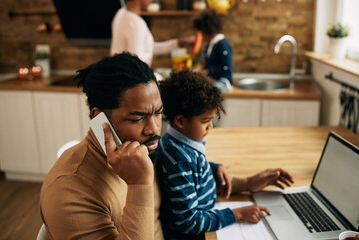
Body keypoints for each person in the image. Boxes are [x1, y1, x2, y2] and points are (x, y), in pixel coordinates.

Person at [157, 69, 294, 240]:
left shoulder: (178, 143)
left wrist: (214, 168)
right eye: (205, 121)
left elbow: (194, 172)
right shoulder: (179, 161)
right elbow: (188, 222)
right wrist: (236, 214)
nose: (211, 127)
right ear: (180, 121)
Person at [40, 52, 165, 240]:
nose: (154, 128)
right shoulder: (69, 191)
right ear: (100, 118)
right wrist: (139, 184)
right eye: (138, 118)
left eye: (158, 113)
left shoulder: (142, 150)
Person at [110, 0, 195, 67]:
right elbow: (138, 63)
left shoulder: (121, 13)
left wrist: (178, 43)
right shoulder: (134, 22)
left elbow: (146, 48)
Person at [193, 9, 233, 92]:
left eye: (202, 33)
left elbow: (226, 69)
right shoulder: (209, 45)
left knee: (211, 92)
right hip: (212, 81)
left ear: (209, 30)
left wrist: (208, 71)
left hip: (223, 81)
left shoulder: (223, 44)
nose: (201, 36)